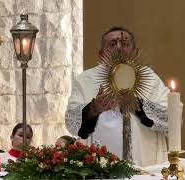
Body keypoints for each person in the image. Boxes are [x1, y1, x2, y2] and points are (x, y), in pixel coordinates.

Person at [65, 26, 172, 166]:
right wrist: (94, 108)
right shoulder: (85, 80)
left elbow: (171, 118)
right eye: (112, 44)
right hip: (99, 164)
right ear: (101, 54)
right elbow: (71, 122)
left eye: (125, 44)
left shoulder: (150, 78)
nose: (119, 48)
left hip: (146, 162)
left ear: (135, 51)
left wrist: (135, 104)